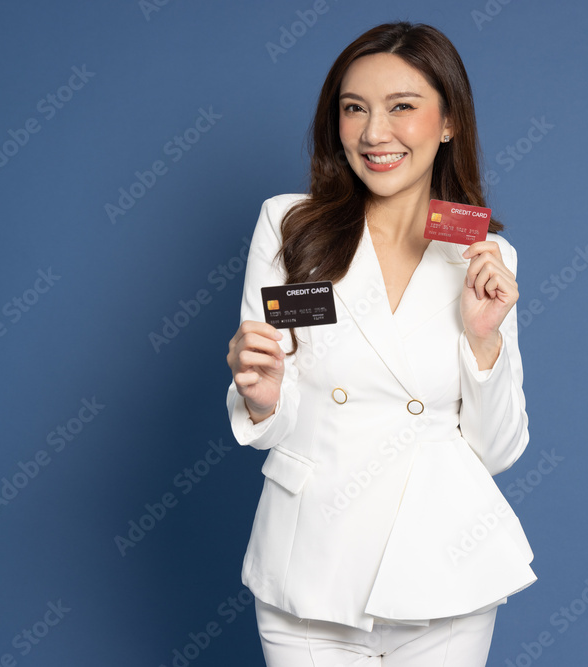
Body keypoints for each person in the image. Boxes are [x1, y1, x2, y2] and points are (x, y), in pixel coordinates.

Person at [225, 21, 536, 666]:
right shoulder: (289, 226)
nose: (373, 133)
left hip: (443, 570)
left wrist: (484, 342)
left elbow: (498, 450)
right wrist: (261, 396)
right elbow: (274, 420)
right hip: (312, 565)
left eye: (402, 107)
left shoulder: (486, 257)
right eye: (354, 108)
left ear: (448, 123)